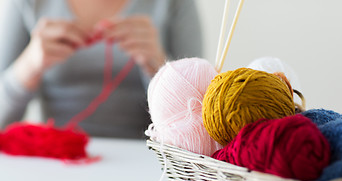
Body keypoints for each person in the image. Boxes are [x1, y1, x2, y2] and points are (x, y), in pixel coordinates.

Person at [0, 0, 203, 138]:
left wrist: (158, 66)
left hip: (150, 163)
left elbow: (198, 116)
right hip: (57, 159)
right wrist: (28, 66)